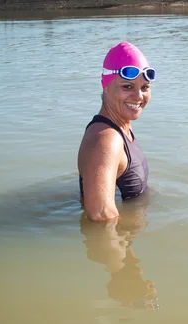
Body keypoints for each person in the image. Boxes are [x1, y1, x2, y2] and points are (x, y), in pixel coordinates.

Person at [77, 41, 155, 222]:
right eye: (127, 87)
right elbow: (101, 216)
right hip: (119, 242)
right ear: (105, 86)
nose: (138, 97)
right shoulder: (106, 139)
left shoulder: (122, 125)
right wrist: (120, 248)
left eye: (145, 87)